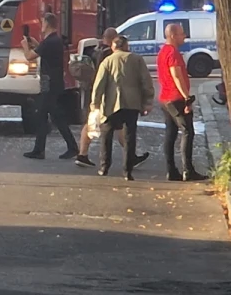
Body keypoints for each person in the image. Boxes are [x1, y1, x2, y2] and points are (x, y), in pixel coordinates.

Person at [75, 27, 146, 168]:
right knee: (118, 126)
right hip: (108, 95)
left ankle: (82, 154)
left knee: (92, 122)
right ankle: (130, 156)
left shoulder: (95, 51)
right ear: (114, 39)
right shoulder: (110, 55)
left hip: (94, 91)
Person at [92, 34, 154, 180]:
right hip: (132, 103)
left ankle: (104, 167)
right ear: (126, 46)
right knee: (129, 136)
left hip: (111, 105)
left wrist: (94, 104)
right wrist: (148, 101)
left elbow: (99, 84)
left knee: (106, 136)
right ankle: (127, 171)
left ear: (113, 47)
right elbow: (146, 81)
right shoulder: (137, 60)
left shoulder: (107, 61)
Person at [22, 12, 80, 160]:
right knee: (54, 116)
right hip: (54, 83)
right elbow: (42, 51)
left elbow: (29, 57)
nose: (41, 26)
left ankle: (41, 150)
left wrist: (25, 46)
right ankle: (67, 147)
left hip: (49, 84)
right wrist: (35, 44)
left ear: (47, 24)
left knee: (43, 114)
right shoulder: (54, 40)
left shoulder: (49, 42)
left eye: (42, 23)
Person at [158, 22, 206, 181]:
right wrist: (186, 97)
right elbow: (176, 75)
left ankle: (171, 170)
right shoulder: (172, 53)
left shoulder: (162, 52)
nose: (184, 36)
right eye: (181, 33)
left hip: (165, 98)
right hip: (176, 97)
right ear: (172, 35)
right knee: (187, 132)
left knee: (170, 134)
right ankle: (188, 170)